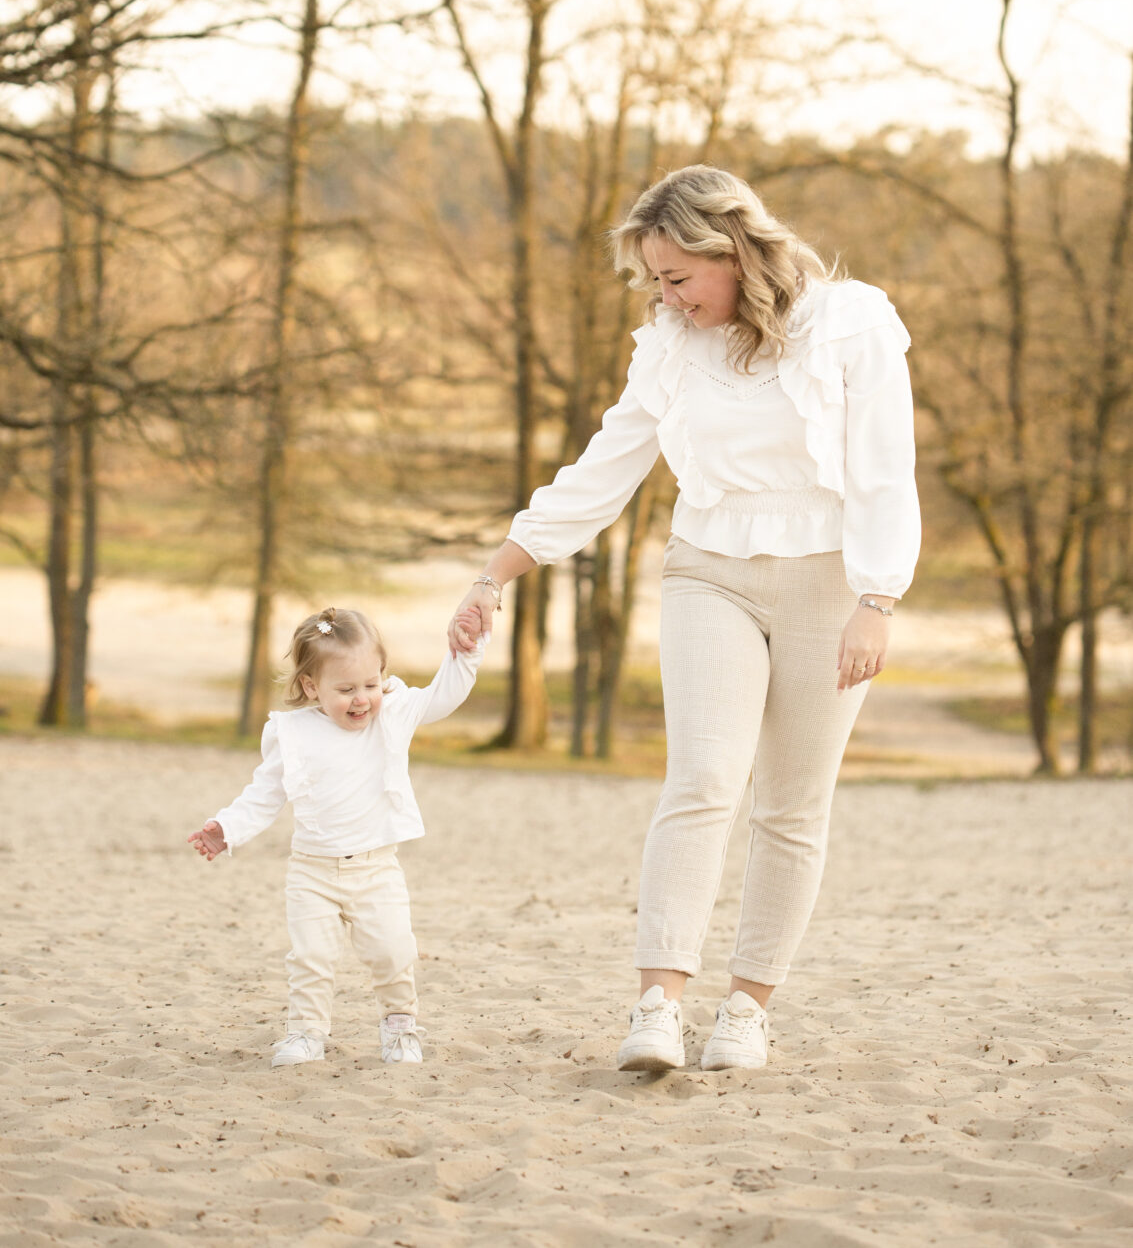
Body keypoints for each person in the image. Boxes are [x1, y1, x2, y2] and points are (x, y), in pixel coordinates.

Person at [447, 164, 919, 1073]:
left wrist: (877, 597)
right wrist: (496, 572)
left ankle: (746, 1009)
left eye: (677, 277)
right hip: (709, 570)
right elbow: (606, 464)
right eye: (652, 280)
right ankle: (656, 1007)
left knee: (790, 806)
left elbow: (884, 471)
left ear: (733, 251)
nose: (664, 296)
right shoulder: (669, 344)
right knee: (702, 778)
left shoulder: (850, 321)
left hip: (831, 583)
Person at [189, 605, 486, 1068]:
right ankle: (306, 1032)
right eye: (345, 689)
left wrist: (465, 652)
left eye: (371, 684)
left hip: (377, 868)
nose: (361, 699)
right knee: (311, 957)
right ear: (312, 686)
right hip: (312, 870)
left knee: (393, 952)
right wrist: (227, 828)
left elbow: (445, 694)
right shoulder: (294, 733)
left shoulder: (394, 713)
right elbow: (265, 794)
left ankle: (400, 1026)